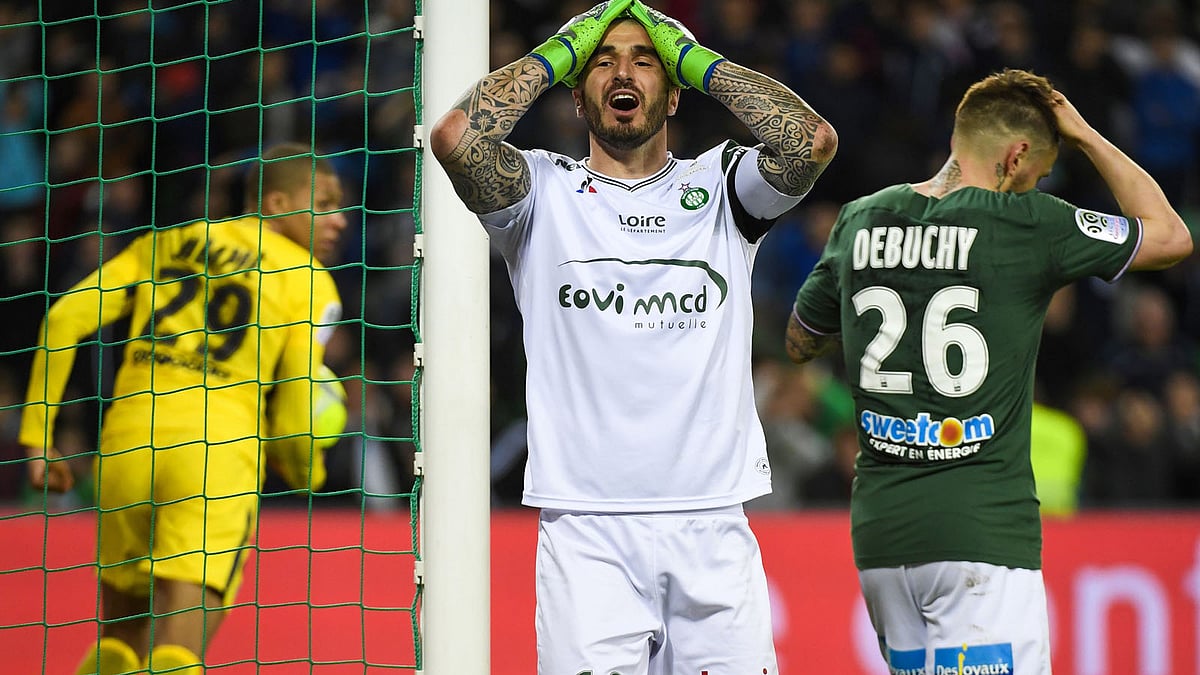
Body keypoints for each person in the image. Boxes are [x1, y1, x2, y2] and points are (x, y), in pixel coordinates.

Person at [430, 1, 836, 673]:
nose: (624, 72)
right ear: (580, 98)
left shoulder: (721, 187)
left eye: (644, 62)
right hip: (585, 531)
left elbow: (811, 142)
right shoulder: (540, 191)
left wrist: (696, 60)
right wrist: (559, 50)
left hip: (711, 523)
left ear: (672, 93)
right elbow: (454, 137)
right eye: (603, 63)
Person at [785, 68, 1192, 674]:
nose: (1035, 184)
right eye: (1041, 171)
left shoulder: (861, 218)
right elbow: (1170, 237)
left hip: (882, 540)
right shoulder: (1028, 223)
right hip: (980, 536)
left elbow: (799, 341)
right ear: (1017, 153)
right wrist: (1084, 135)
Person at [20, 142, 347, 675]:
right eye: (325, 203)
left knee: (118, 647)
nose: (339, 220)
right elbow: (296, 401)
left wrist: (37, 438)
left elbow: (63, 319)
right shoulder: (309, 281)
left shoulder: (168, 241)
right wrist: (306, 470)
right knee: (177, 655)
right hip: (217, 455)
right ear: (276, 202)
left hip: (128, 445)